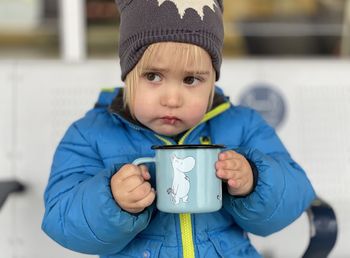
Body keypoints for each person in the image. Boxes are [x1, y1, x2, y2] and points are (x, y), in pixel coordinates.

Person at [42, 0, 315, 257]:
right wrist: (111, 200)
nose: (172, 99)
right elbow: (60, 218)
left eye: (191, 80)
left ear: (211, 82)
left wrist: (254, 181)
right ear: (128, 75)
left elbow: (297, 192)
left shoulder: (242, 125)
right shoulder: (90, 135)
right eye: (153, 76)